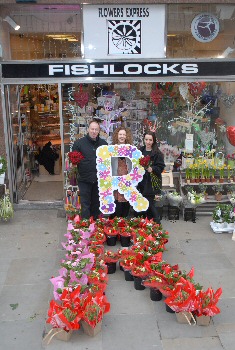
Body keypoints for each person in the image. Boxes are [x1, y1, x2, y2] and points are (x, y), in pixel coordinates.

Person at [72, 120, 107, 220]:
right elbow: (74, 160)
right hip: (84, 179)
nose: (94, 131)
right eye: (92, 129)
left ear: (99, 131)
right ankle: (86, 226)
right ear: (88, 129)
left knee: (97, 203)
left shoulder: (104, 144)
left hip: (98, 180)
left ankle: (96, 226)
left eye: (96, 129)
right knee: (85, 204)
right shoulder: (79, 144)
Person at [137, 132, 165, 224]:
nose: (148, 142)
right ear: (144, 140)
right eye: (146, 139)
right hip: (142, 182)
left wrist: (152, 169)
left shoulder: (157, 153)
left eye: (150, 140)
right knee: (143, 204)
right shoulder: (140, 151)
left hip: (152, 183)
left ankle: (156, 222)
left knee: (150, 204)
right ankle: (146, 223)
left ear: (153, 141)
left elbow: (161, 167)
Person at [111, 126, 133, 218]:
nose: (122, 136)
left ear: (127, 136)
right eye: (120, 134)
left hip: (127, 180)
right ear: (117, 135)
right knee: (116, 203)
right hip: (116, 179)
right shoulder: (111, 149)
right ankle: (115, 224)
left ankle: (124, 224)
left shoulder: (131, 149)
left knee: (126, 201)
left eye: (124, 134)